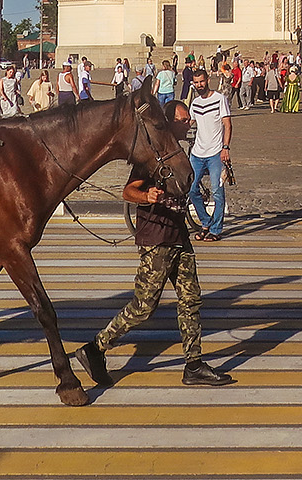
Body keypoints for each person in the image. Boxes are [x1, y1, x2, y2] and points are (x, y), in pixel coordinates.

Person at [77, 100, 236, 390]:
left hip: (178, 237)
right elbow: (127, 191)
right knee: (143, 307)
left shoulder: (176, 152)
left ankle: (194, 364)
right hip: (156, 239)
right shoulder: (149, 154)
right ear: (169, 121)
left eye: (189, 120)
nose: (189, 123)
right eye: (184, 119)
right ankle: (95, 348)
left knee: (191, 299)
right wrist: (147, 196)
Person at [185, 68, 232, 241]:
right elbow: (189, 123)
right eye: (196, 82)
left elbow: (227, 124)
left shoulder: (219, 99)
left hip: (215, 153)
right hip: (197, 153)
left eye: (201, 81)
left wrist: (225, 148)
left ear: (208, 80)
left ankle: (216, 229)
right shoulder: (196, 103)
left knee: (217, 191)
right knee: (190, 189)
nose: (199, 85)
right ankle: (205, 222)